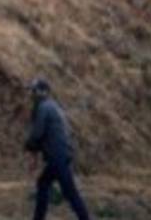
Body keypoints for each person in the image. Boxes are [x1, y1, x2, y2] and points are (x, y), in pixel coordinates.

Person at [24, 78, 91, 220]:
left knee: (70, 193)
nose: (31, 94)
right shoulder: (52, 106)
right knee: (44, 183)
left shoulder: (43, 108)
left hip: (57, 156)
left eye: (33, 90)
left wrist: (29, 146)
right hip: (60, 155)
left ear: (42, 92)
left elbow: (37, 133)